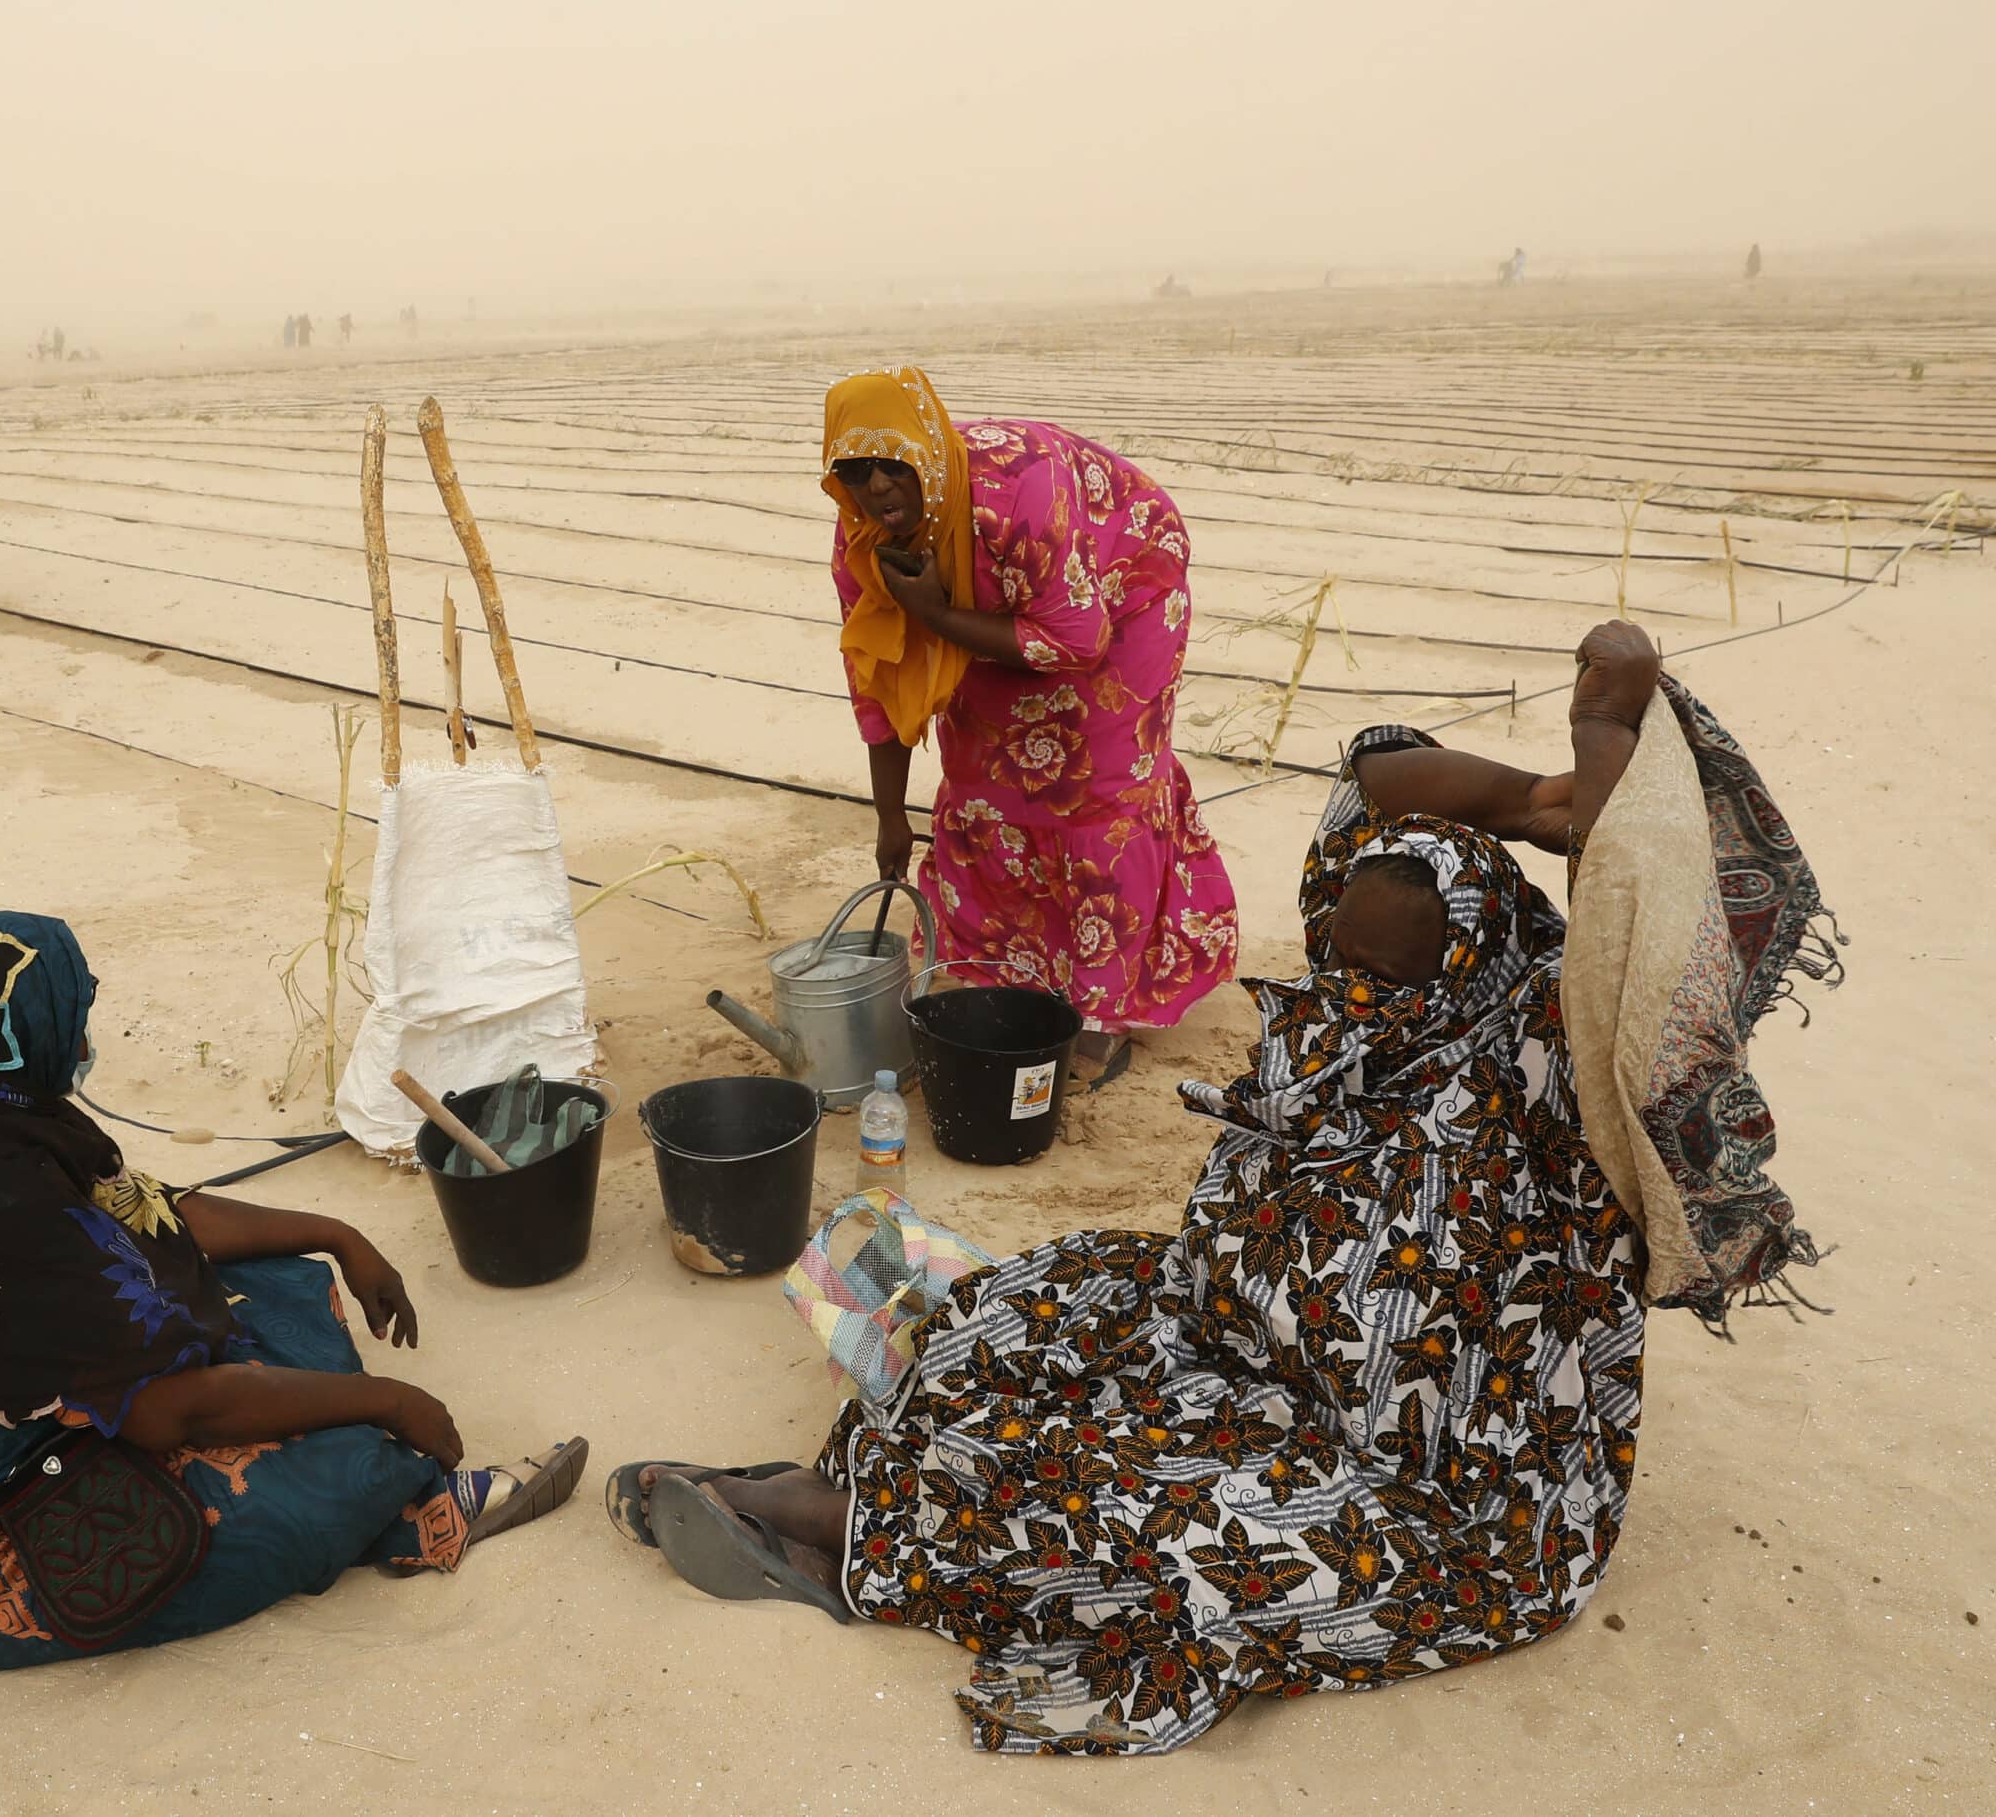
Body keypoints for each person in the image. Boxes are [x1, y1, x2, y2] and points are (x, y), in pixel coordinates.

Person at [615, 618, 1845, 1755]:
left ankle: (848, 1542)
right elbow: (1374, 781)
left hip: (1428, 1480)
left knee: (1172, 1527)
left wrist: (1604, 740)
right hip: (1216, 1332)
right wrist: (1521, 798)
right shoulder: (1337, 1026)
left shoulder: (1547, 1073)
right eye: (1343, 959)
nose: (1355, 994)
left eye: (1387, 972)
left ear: (1468, 955)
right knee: (1003, 1315)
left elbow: (1641, 932)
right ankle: (840, 1493)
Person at [0, 909, 590, 1668]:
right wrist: (385, 1401)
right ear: (19, 1037)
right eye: (73, 1023)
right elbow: (167, 1412)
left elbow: (146, 1212)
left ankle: (352, 1445)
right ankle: (416, 1515)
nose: (83, 1044)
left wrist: (340, 1236)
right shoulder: (1, 1199)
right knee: (325, 1482)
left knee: (280, 1283)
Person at [822, 367, 1237, 1086]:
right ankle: (1009, 973)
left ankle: (1101, 1012)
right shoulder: (864, 540)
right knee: (985, 783)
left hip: (1121, 586)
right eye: (855, 470)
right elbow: (879, 681)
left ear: (928, 449)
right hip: (989, 607)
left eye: (896, 463)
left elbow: (1079, 641)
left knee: (1099, 791)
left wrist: (938, 615)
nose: (879, 486)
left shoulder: (1021, 491)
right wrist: (888, 814)